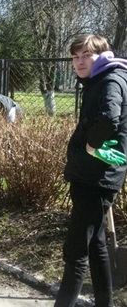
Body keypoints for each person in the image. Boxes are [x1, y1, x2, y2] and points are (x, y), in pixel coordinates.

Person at [55, 34, 127, 307]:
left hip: (96, 176)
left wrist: (90, 147)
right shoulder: (100, 80)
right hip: (94, 174)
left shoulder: (110, 80)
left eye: (87, 55)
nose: (80, 61)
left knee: (75, 252)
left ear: (103, 55)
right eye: (75, 56)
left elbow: (110, 117)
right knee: (97, 245)